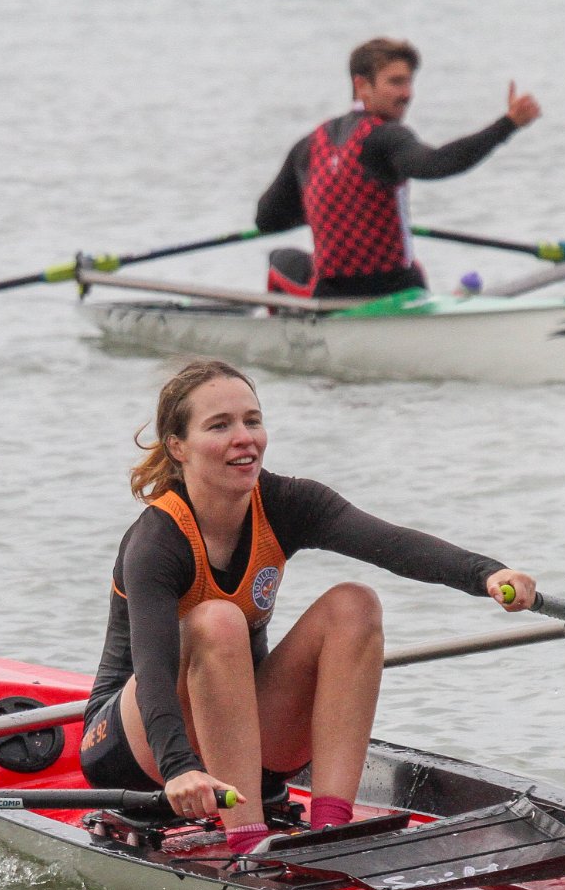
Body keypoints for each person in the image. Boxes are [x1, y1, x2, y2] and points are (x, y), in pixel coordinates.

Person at [79, 359, 536, 856]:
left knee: (354, 604)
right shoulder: (157, 542)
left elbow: (395, 546)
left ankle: (331, 830)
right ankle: (247, 838)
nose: (244, 438)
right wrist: (178, 768)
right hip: (133, 749)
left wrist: (488, 574)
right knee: (218, 619)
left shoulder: (287, 502)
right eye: (220, 425)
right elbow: (152, 671)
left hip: (243, 737)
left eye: (252, 420)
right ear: (178, 447)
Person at [254, 37, 542, 298]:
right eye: (396, 82)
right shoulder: (387, 135)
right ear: (362, 86)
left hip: (331, 298)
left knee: (280, 259)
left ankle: (282, 326)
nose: (408, 93)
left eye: (409, 82)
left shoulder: (308, 146)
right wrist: (508, 125)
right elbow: (437, 163)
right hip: (396, 289)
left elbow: (268, 220)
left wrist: (329, 211)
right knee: (409, 265)